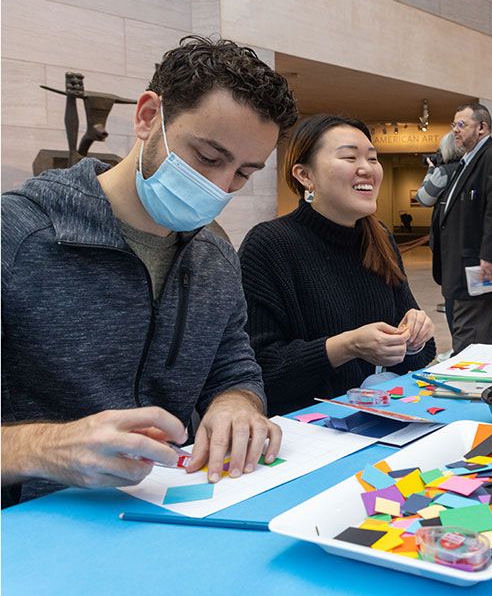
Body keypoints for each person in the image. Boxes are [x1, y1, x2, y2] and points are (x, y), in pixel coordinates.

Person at [1, 36, 299, 506]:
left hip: (167, 516)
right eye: (207, 157)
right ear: (146, 117)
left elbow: (234, 368)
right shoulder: (15, 235)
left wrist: (237, 404)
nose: (219, 186)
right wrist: (43, 448)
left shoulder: (215, 256)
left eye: (243, 173)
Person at [238, 115, 437, 416]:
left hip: (383, 418)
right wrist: (347, 346)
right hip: (311, 431)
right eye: (349, 157)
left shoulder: (379, 237)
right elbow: (258, 371)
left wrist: (415, 340)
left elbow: (420, 353)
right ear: (305, 176)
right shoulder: (270, 244)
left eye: (372, 158)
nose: (366, 168)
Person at [431, 103, 492, 354]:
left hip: (476, 268)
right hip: (465, 264)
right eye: (453, 125)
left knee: (466, 335)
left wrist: (490, 257)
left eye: (461, 125)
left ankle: (464, 383)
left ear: (482, 127)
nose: (455, 131)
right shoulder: (469, 161)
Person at [418, 131, 464, 330]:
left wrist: (431, 170)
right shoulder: (471, 169)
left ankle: (458, 346)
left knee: (451, 294)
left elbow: (423, 198)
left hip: (448, 243)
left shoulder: (445, 171)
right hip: (466, 241)